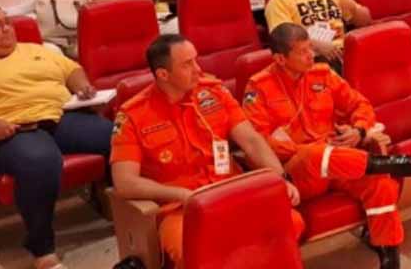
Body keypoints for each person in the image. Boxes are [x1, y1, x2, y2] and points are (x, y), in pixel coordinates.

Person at [243, 22, 411, 269]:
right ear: (280, 59)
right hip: (297, 173)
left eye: (311, 48)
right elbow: (260, 142)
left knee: (380, 184)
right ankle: (404, 164)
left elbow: (360, 105)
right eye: (303, 52)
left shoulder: (323, 74)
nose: (311, 56)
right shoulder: (258, 87)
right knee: (314, 154)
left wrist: (358, 130)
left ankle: (389, 261)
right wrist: (305, 151)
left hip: (338, 164)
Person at [0, 4, 111, 269]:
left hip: (62, 117)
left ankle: (130, 208)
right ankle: (42, 250)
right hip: (13, 132)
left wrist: (81, 86)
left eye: (8, 22)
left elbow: (71, 70)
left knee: (121, 134)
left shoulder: (36, 50)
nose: (7, 29)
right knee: (41, 162)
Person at [111, 34, 302, 267]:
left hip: (231, 193)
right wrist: (182, 195)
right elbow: (124, 182)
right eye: (187, 64)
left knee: (291, 222)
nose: (198, 69)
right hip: (181, 209)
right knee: (197, 250)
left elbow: (251, 140)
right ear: (163, 74)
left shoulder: (214, 91)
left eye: (196, 60)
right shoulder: (133, 115)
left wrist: (279, 177)